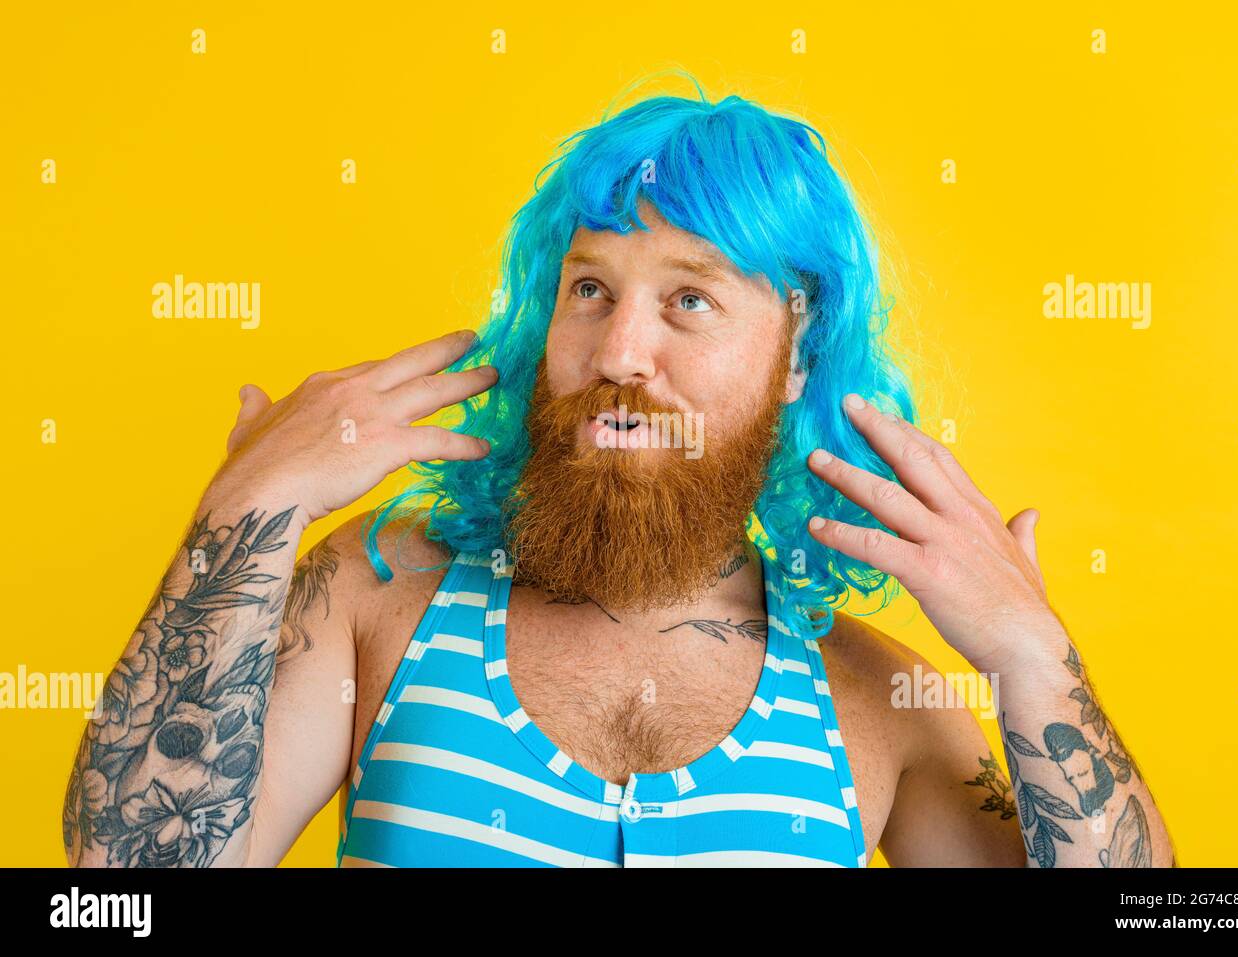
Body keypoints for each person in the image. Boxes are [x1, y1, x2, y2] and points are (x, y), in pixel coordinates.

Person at [62, 84, 1173, 868]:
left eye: (688, 299)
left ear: (796, 355)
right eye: (588, 289)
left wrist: (1033, 656)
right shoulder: (378, 592)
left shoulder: (876, 702)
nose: (617, 353)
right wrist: (241, 519)